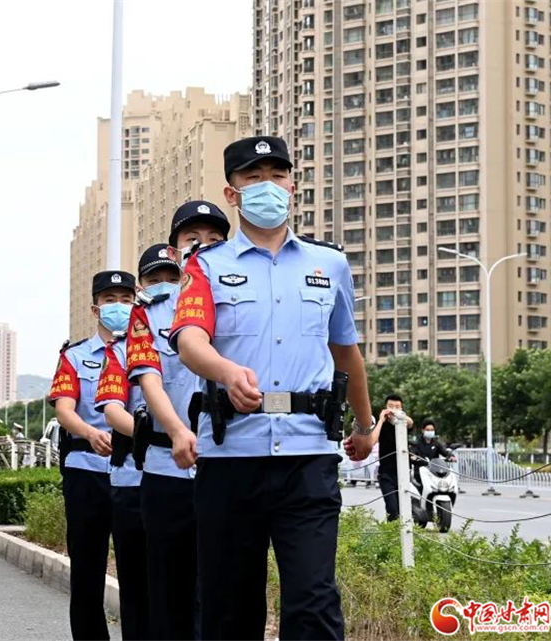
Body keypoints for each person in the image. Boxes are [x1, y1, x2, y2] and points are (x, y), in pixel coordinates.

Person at [170, 135, 376, 640]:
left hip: (308, 457)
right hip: (230, 457)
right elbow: (189, 339)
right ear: (232, 193)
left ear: (292, 186)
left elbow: (346, 351)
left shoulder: (329, 265)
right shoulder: (206, 266)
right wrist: (225, 372)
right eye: (253, 178)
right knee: (229, 606)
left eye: (277, 176)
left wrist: (365, 425)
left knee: (313, 600)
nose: (268, 186)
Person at [127, 211, 228, 640]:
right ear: (175, 249)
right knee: (169, 591)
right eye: (192, 237)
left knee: (223, 589)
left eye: (213, 238)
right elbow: (148, 378)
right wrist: (177, 431)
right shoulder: (148, 315)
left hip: (229, 466)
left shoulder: (243, 301)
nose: (202, 245)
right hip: (168, 468)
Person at [50, 270, 136, 641]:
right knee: (87, 568)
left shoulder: (146, 353)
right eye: (110, 300)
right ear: (95, 308)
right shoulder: (74, 356)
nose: (119, 306)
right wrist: (89, 432)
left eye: (126, 299)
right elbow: (64, 409)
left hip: (135, 473)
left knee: (137, 570)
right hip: (86, 470)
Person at [95, 333, 150, 640]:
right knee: (136, 585)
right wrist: (166, 437)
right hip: (131, 478)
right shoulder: (121, 350)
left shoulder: (202, 338)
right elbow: (113, 411)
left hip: (190, 478)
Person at [369, 394, 414, 521]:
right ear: (385, 407)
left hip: (403, 472)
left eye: (397, 406)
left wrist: (399, 415)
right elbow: (372, 440)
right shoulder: (382, 424)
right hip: (386, 474)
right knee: (392, 509)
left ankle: (402, 531)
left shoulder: (403, 423)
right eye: (390, 406)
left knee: (403, 508)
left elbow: (411, 423)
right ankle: (393, 531)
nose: (393, 409)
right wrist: (381, 420)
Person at [410, 418, 455, 490]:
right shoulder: (416, 443)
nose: (430, 431)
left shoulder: (436, 443)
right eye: (428, 430)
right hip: (421, 472)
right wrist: (415, 458)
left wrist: (451, 456)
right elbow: (413, 455)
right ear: (423, 430)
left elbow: (444, 452)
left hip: (434, 472)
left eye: (432, 430)